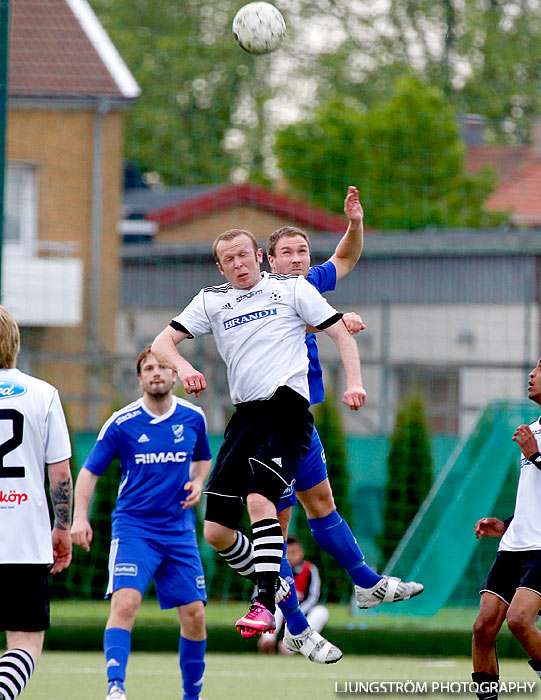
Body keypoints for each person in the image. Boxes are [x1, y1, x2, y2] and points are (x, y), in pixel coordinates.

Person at [151, 226, 366, 641]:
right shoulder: (214, 299)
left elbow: (344, 268)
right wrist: (185, 367)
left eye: (243, 256)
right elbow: (163, 341)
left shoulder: (296, 286)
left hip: (290, 412)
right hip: (247, 416)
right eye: (228, 259)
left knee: (286, 502)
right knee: (216, 529)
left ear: (257, 257)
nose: (238, 264)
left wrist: (353, 379)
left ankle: (277, 599)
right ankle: (278, 585)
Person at [266, 186, 423, 635]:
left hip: (299, 419)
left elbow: (346, 260)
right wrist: (336, 320)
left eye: (302, 251)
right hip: (269, 422)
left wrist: (354, 223)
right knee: (273, 527)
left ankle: (365, 583)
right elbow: (291, 319)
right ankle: (292, 624)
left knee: (321, 504)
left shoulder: (308, 284)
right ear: (269, 260)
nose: (297, 258)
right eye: (287, 253)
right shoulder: (263, 292)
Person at [71, 346, 211, 700]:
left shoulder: (194, 418)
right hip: (135, 529)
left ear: (175, 375)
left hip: (179, 531)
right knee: (126, 603)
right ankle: (115, 687)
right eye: (149, 368)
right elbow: (88, 473)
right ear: (140, 378)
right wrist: (78, 518)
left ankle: (191, 695)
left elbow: (203, 460)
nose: (157, 373)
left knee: (195, 615)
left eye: (164, 366)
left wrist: (197, 483)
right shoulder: (122, 422)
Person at [0, 306, 73, 700]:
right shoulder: (43, 393)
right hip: (23, 540)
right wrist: (61, 529)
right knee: (25, 643)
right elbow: (59, 474)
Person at [472, 358, 541, 700]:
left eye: (540, 370)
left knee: (519, 621)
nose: (532, 374)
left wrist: (536, 456)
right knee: (483, 627)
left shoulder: (532, 442)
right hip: (514, 546)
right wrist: (504, 524)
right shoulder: (533, 429)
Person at [258, 534, 329, 656]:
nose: (291, 556)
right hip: (279, 610)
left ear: (301, 553)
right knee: (276, 608)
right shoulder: (273, 569)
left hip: (302, 612)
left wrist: (295, 613)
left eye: (294, 552)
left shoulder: (310, 569)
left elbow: (313, 597)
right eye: (288, 552)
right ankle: (267, 640)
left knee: (321, 612)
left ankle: (295, 646)